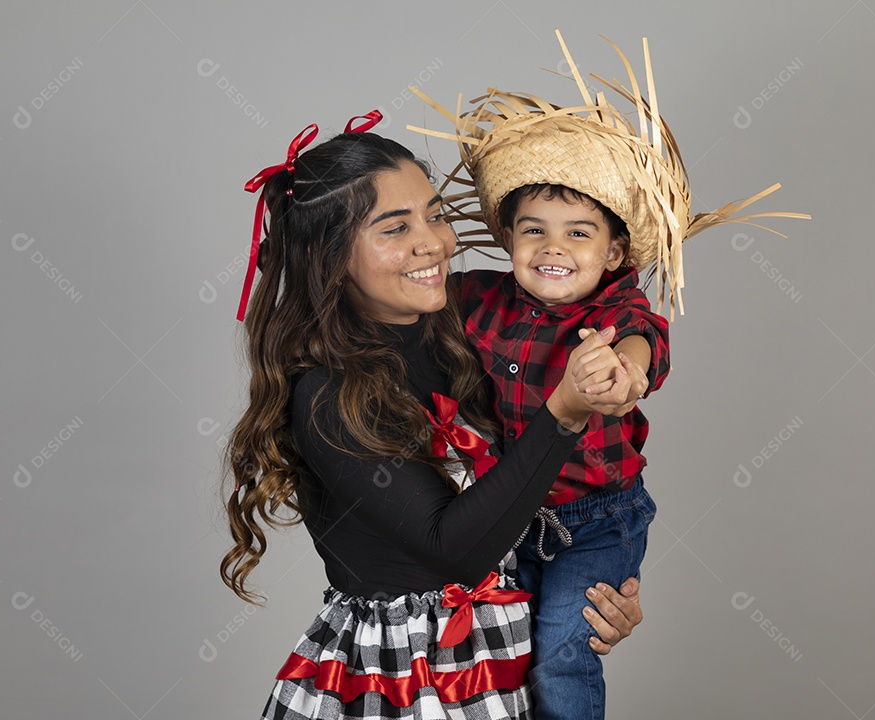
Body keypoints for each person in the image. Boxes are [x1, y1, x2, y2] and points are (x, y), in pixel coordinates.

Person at [409, 31, 810, 720]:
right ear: (508, 240)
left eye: (578, 233)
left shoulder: (614, 310)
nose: (553, 247)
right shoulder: (478, 298)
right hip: (507, 513)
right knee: (502, 656)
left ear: (615, 251)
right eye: (533, 230)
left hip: (597, 520)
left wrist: (627, 373)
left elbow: (642, 340)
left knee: (562, 657)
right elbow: (407, 307)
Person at [221, 114, 644, 720]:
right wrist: (565, 412)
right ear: (328, 256)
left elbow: (618, 316)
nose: (436, 244)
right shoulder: (327, 393)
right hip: (403, 679)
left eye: (436, 215)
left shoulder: (464, 333)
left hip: (500, 658)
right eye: (397, 227)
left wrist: (587, 594)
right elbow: (454, 552)